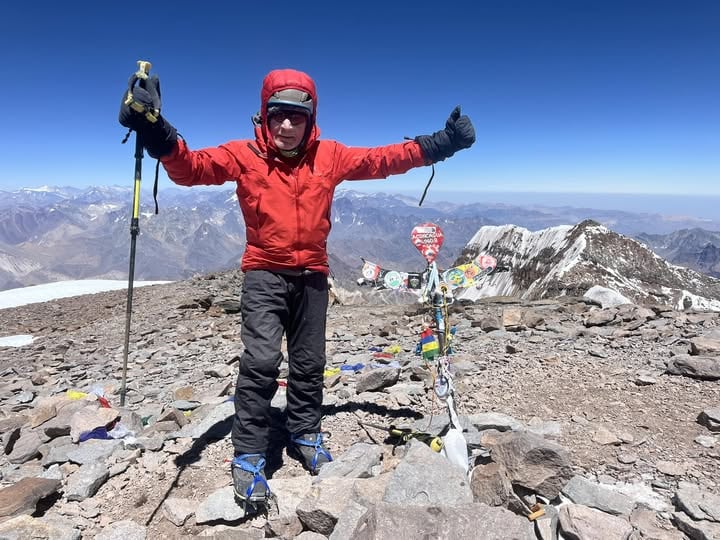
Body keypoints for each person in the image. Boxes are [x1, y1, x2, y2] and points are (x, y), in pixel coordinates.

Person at [119, 67, 475, 508]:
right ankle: (249, 452)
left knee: (309, 361)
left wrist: (444, 143)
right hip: (264, 273)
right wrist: (157, 131)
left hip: (312, 276)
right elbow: (192, 169)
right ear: (264, 117)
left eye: (296, 116)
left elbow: (383, 159)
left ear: (311, 117)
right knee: (262, 361)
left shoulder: (330, 155)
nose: (286, 125)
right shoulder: (243, 154)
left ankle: (305, 430)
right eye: (277, 116)